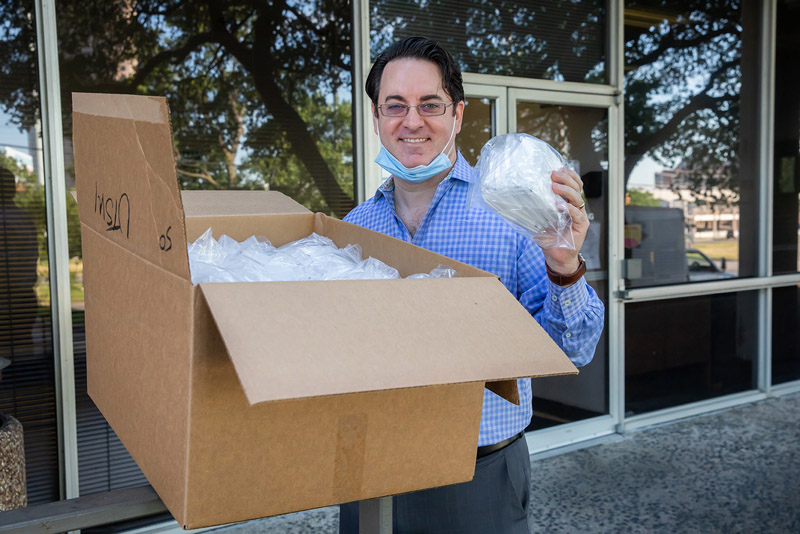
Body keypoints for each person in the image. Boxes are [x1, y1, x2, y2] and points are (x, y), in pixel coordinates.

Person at [339, 37, 604, 533]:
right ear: (376, 118)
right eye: (395, 106)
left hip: (479, 475)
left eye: (430, 105)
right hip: (370, 467)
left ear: (458, 115)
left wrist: (565, 265)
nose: (411, 121)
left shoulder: (512, 211)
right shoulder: (355, 227)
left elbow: (575, 350)